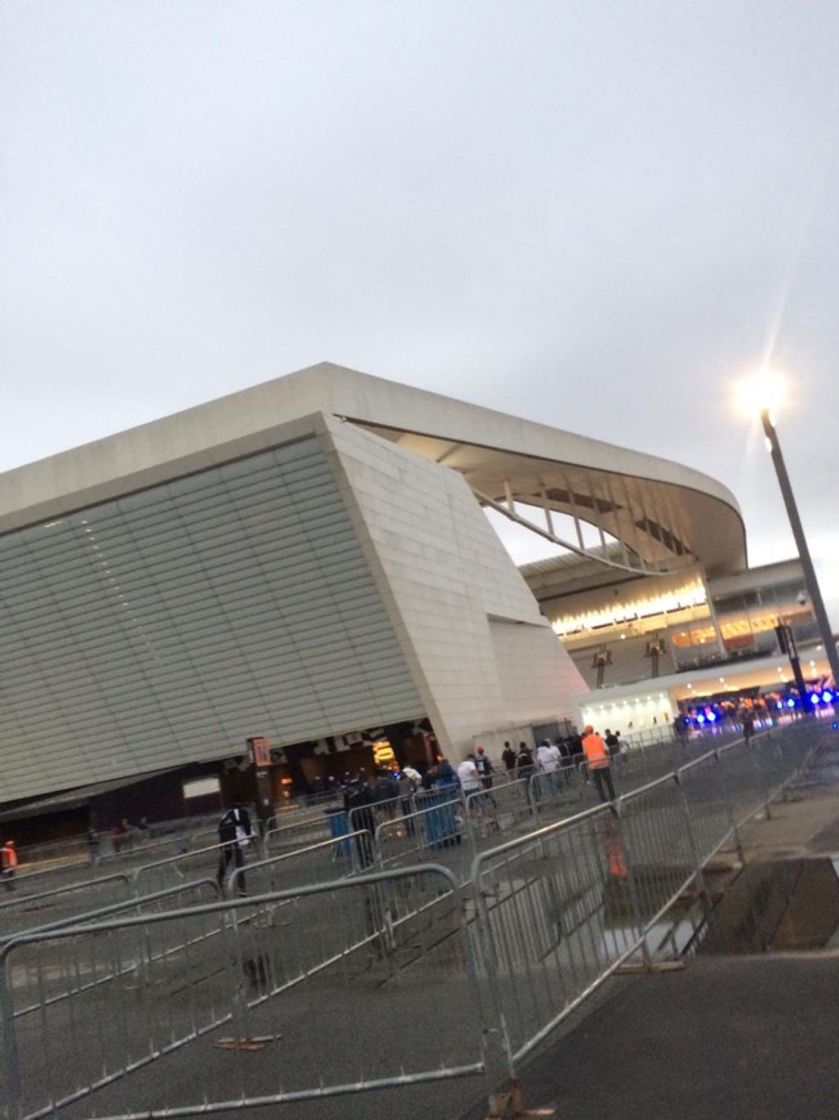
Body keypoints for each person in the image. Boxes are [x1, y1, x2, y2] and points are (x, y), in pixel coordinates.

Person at [217, 802, 253, 895]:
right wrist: (249, 837)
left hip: (225, 841)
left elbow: (220, 829)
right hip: (236, 840)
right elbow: (247, 824)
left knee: (224, 862)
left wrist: (221, 844)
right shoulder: (240, 812)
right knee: (239, 864)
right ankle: (241, 888)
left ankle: (218, 883)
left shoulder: (225, 815)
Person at [581, 726, 616, 804]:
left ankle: (603, 798)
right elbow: (606, 749)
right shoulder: (599, 738)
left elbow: (585, 754)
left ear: (586, 732)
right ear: (593, 731)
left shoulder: (584, 741)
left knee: (598, 782)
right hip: (603, 762)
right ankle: (612, 795)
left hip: (593, 764)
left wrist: (587, 763)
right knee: (608, 780)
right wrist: (607, 757)